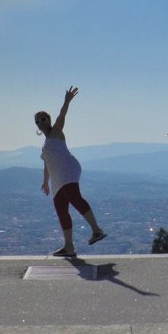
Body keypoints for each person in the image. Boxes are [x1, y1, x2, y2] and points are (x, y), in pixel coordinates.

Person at [35, 86, 106, 257]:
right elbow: (47, 164)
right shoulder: (44, 145)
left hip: (68, 169)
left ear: (49, 120)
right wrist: (45, 181)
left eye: (43, 118)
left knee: (73, 197)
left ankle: (96, 230)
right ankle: (69, 247)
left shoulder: (56, 131)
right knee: (60, 207)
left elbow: (62, 114)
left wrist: (67, 101)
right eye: (37, 120)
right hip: (57, 176)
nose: (41, 121)